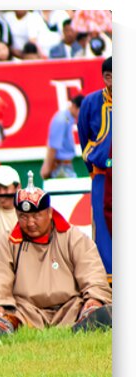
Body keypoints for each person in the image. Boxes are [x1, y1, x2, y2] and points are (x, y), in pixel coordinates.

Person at [0, 184, 112, 340]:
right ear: (17, 214)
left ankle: (90, 319)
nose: (30, 222)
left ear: (49, 213)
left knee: (92, 307)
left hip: (71, 307)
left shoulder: (74, 237)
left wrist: (94, 301)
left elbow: (92, 273)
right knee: (4, 315)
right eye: (24, 216)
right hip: (25, 310)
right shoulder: (7, 243)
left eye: (36, 215)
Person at [77, 57, 112, 282]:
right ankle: (110, 283)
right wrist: (96, 166)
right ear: (106, 77)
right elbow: (83, 139)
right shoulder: (91, 102)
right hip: (102, 175)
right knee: (103, 228)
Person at [41, 95, 84, 180]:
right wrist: (47, 168)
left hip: (64, 166)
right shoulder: (61, 120)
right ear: (75, 107)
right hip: (60, 168)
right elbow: (53, 146)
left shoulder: (68, 119)